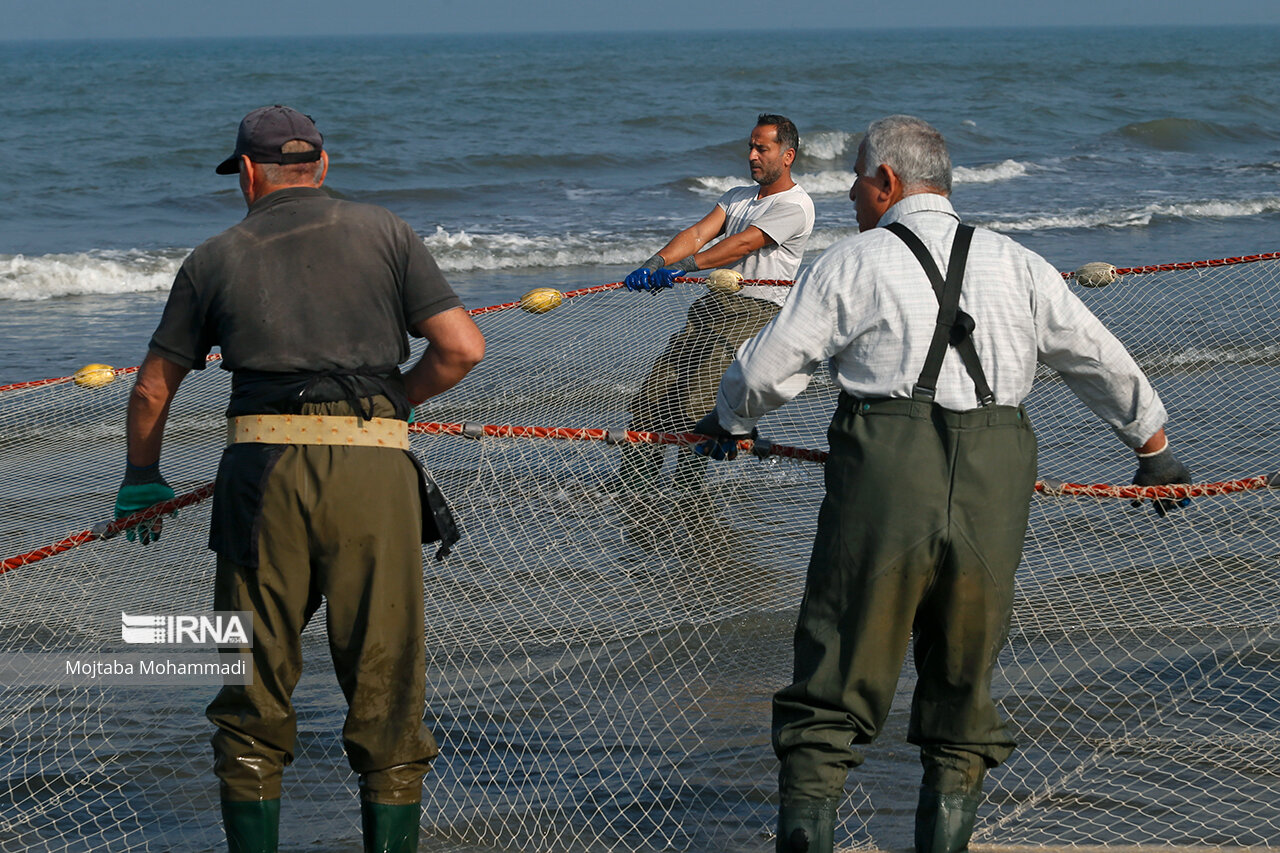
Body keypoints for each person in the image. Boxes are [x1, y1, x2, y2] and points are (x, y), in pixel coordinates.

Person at [691, 115, 1192, 853]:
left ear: (887, 181)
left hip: (887, 470)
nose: (854, 196)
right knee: (963, 689)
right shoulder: (1019, 263)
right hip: (997, 475)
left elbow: (769, 369)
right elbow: (1096, 357)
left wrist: (728, 419)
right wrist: (1154, 448)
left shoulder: (850, 261)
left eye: (859, 180)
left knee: (833, 679)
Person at [112, 105, 485, 853]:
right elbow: (462, 347)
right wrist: (389, 408)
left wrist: (142, 476)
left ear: (248, 174)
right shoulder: (388, 233)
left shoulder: (214, 256)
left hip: (262, 483)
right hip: (374, 480)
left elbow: (153, 387)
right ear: (323, 165)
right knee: (387, 693)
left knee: (251, 688)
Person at [616, 114, 814, 493]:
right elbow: (696, 234)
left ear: (787, 156)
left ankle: (688, 493)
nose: (753, 155)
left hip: (754, 314)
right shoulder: (737, 197)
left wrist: (685, 268)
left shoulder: (796, 205)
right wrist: (655, 263)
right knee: (649, 400)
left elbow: (741, 244)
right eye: (751, 147)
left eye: (763, 148)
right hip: (711, 307)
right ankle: (634, 488)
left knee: (696, 407)